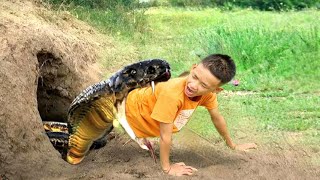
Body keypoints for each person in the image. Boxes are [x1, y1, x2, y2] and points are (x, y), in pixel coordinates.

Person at [122, 54, 257, 176]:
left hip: (139, 113)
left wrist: (232, 145)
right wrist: (167, 168)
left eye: (203, 85)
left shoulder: (208, 95)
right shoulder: (172, 95)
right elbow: (165, 136)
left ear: (215, 90)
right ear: (193, 68)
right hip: (124, 113)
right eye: (194, 77)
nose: (193, 85)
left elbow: (217, 118)